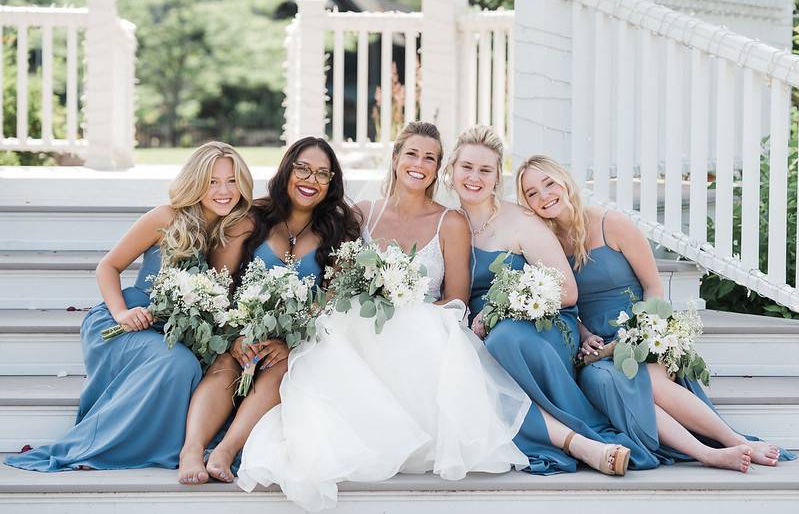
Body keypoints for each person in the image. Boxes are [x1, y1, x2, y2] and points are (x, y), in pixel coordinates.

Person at [236, 122, 530, 512]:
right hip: (361, 326)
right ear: (394, 159)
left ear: (438, 169)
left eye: (429, 158)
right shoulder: (363, 214)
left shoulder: (450, 222)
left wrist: (405, 310)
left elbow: (456, 299)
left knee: (407, 330)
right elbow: (338, 284)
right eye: (411, 154)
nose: (418, 164)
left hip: (426, 328)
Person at [520, 154, 796, 472]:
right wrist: (585, 335)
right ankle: (707, 454)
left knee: (648, 383)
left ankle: (735, 441)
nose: (544, 195)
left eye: (548, 183)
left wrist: (643, 331)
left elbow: (653, 288)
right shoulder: (545, 244)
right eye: (531, 193)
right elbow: (566, 305)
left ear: (564, 182)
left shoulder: (612, 224)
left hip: (642, 328)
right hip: (598, 351)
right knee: (604, 380)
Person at [5, 142, 254, 472]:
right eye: (212, 181)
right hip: (127, 320)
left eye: (232, 180)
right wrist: (122, 313)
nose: (224, 190)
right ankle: (107, 447)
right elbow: (108, 267)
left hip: (174, 330)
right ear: (195, 181)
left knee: (196, 365)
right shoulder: (166, 218)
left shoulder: (233, 232)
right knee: (178, 364)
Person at [448, 125, 643, 475]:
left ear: (497, 178)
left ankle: (584, 432)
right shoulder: (447, 222)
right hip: (480, 332)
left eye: (485, 170)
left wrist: (497, 310)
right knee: (464, 360)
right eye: (467, 167)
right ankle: (578, 444)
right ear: (452, 170)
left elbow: (567, 291)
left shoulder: (521, 220)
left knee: (504, 339)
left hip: (543, 323)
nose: (474, 177)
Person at [178, 137, 361, 484]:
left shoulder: (341, 232)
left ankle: (225, 451)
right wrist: (235, 337)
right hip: (239, 331)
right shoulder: (250, 220)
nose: (311, 180)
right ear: (286, 170)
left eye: (323, 174)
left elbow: (332, 303)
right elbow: (218, 289)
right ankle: (191, 450)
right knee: (223, 365)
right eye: (303, 169)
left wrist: (291, 343)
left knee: (283, 370)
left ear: (332, 182)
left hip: (300, 342)